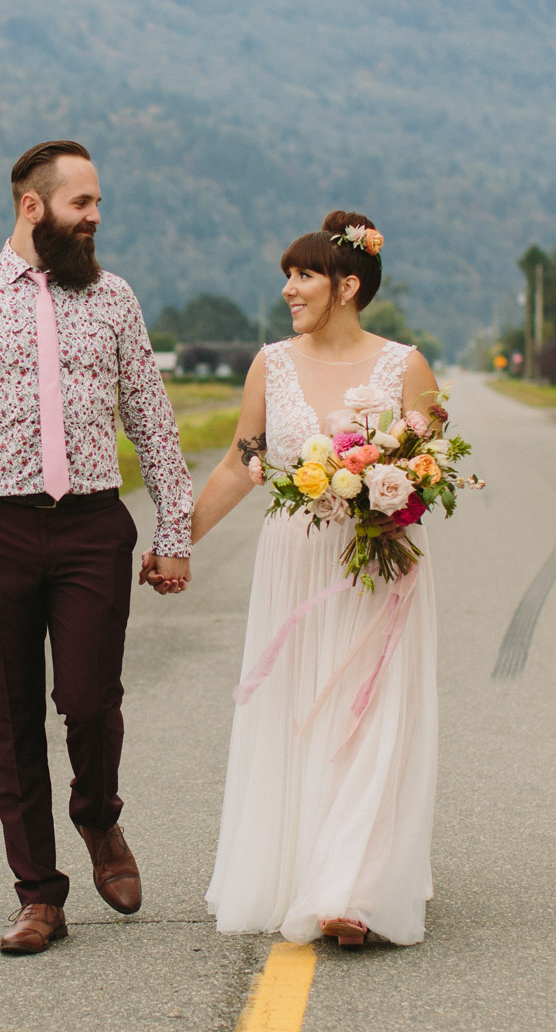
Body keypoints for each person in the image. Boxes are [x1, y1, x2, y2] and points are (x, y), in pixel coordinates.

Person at [0, 139, 196, 956]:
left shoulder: (115, 300)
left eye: (97, 205)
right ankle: (39, 896)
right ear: (34, 207)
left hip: (93, 524)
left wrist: (175, 531)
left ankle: (98, 818)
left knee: (91, 701)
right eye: (82, 204)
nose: (95, 219)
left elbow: (152, 418)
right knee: (12, 714)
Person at [189, 210, 442, 948]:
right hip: (295, 562)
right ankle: (309, 865)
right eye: (288, 276)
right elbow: (244, 461)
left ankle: (354, 892)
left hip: (378, 562)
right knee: (303, 709)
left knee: (372, 713)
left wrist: (386, 495)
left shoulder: (406, 367)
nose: (289, 289)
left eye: (303, 275)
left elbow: (430, 470)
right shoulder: (272, 363)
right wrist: (179, 538)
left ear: (348, 284)